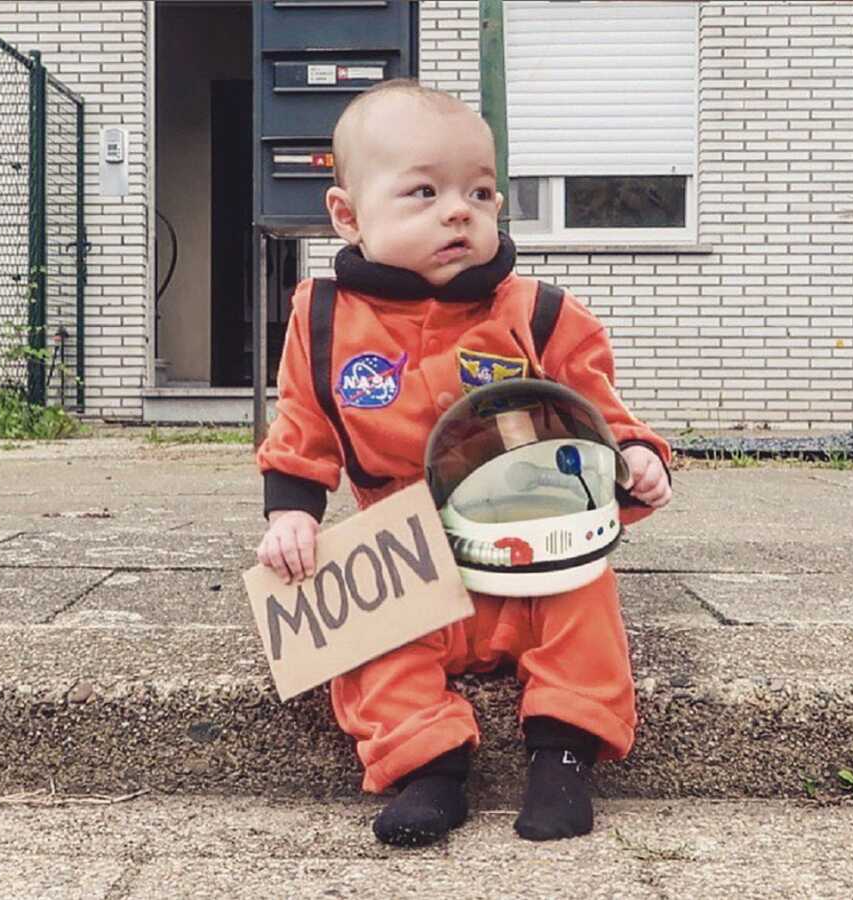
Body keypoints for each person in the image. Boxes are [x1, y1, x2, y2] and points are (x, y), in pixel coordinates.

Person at [255, 79, 672, 846]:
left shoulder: (538, 313)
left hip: (530, 543)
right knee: (365, 636)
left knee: (587, 601)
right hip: (406, 550)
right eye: (423, 192)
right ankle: (429, 765)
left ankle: (565, 756)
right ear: (347, 215)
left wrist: (637, 458)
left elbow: (595, 410)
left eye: (481, 193)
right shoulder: (321, 318)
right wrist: (291, 513)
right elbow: (302, 428)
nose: (460, 211)